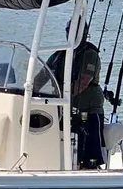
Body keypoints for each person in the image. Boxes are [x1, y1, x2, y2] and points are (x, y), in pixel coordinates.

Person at [33, 20, 105, 169]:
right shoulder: (58, 55)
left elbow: (83, 82)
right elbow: (40, 79)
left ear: (85, 33)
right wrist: (27, 94)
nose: (73, 33)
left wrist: (63, 97)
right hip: (61, 109)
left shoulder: (90, 55)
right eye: (70, 30)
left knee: (90, 154)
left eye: (78, 31)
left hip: (87, 110)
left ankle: (91, 168)